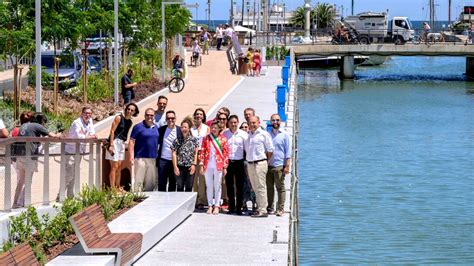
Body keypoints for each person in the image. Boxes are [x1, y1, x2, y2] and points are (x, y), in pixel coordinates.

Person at [12, 112, 61, 208]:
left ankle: (15, 203)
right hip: (29, 156)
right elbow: (52, 135)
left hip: (20, 155)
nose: (43, 124)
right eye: (43, 122)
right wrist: (59, 134)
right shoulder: (37, 125)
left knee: (21, 181)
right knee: (28, 180)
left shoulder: (25, 125)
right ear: (41, 120)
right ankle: (26, 204)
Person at [64, 106, 97, 199]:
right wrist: (90, 137)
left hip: (80, 151)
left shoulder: (90, 122)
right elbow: (80, 137)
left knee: (74, 173)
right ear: (82, 114)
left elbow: (92, 133)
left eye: (90, 113)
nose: (88, 115)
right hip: (71, 151)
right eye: (86, 113)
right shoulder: (76, 122)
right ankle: (61, 195)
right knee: (69, 174)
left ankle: (70, 196)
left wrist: (89, 136)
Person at [244, 116, 274, 218]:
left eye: (254, 123)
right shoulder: (248, 135)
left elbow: (270, 150)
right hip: (250, 164)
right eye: (250, 123)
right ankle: (259, 208)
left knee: (261, 187)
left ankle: (263, 210)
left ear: (259, 122)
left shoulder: (264, 134)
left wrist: (265, 161)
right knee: (255, 187)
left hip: (260, 163)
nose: (252, 125)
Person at [106, 103, 139, 191]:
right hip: (115, 142)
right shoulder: (119, 117)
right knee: (114, 167)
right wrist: (111, 144)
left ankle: (118, 187)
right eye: (128, 109)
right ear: (126, 109)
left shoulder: (130, 122)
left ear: (134, 112)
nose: (129, 111)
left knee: (119, 167)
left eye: (132, 110)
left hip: (122, 143)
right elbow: (112, 131)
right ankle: (112, 189)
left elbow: (126, 134)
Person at [199, 121, 229, 215]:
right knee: (209, 185)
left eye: (216, 128)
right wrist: (201, 165)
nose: (214, 129)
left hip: (219, 165)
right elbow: (202, 152)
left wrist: (225, 167)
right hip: (208, 165)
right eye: (212, 127)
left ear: (219, 128)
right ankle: (210, 206)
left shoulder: (223, 139)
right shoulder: (206, 138)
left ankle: (217, 206)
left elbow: (225, 153)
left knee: (217, 185)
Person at [266, 114, 291, 217]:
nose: (275, 122)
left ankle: (280, 208)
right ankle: (270, 207)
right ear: (270, 122)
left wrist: (287, 165)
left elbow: (288, 151)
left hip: (279, 165)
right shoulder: (267, 134)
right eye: (273, 120)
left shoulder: (285, 135)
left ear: (280, 122)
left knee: (280, 187)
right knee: (269, 187)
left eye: (277, 120)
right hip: (268, 164)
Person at [129, 108, 159, 192]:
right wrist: (131, 156)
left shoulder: (156, 127)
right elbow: (131, 141)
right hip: (140, 158)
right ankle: (137, 198)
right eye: (147, 115)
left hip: (153, 158)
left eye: (151, 115)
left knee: (150, 182)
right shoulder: (138, 127)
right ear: (144, 115)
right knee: (139, 180)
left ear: (154, 116)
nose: (149, 116)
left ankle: (148, 200)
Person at [223, 115, 248, 215]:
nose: (233, 124)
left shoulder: (243, 134)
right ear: (228, 123)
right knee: (229, 186)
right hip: (228, 162)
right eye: (231, 122)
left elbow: (247, 148)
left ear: (238, 123)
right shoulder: (225, 134)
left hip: (239, 162)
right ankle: (231, 207)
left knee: (240, 186)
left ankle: (239, 208)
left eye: (235, 122)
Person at [157, 110, 183, 192]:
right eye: (168, 118)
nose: (170, 120)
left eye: (172, 118)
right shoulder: (161, 130)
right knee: (161, 182)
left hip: (175, 161)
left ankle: (171, 203)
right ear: (166, 119)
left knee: (173, 183)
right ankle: (161, 201)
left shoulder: (180, 130)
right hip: (163, 160)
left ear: (175, 119)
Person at [172, 119, 199, 192]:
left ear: (189, 128)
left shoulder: (194, 140)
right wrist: (175, 167)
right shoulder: (177, 140)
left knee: (189, 186)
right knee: (180, 186)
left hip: (190, 166)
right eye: (182, 127)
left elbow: (196, 153)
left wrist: (194, 164)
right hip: (179, 166)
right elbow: (174, 153)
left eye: (185, 127)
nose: (183, 129)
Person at [191, 108, 210, 209]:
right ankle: (194, 198)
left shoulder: (206, 128)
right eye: (197, 114)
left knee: (202, 178)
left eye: (201, 114)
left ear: (203, 116)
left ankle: (201, 200)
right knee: (193, 179)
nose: (199, 116)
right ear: (195, 116)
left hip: (203, 155)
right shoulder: (191, 129)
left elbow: (207, 142)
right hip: (193, 156)